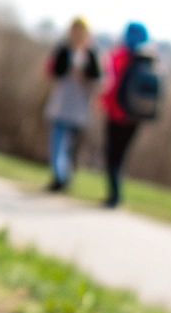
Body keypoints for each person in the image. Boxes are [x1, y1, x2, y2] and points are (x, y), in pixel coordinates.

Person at [100, 21, 156, 208]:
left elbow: (110, 83)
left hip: (117, 113)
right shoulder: (151, 60)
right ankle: (117, 193)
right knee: (121, 156)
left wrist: (103, 102)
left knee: (112, 155)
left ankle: (114, 195)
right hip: (136, 117)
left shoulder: (120, 56)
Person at [42, 17, 100, 192]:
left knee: (70, 148)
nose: (77, 34)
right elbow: (53, 71)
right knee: (57, 143)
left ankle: (65, 178)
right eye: (75, 30)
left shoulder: (91, 54)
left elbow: (97, 77)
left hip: (79, 109)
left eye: (81, 31)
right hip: (61, 104)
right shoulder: (63, 49)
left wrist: (84, 74)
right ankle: (59, 176)